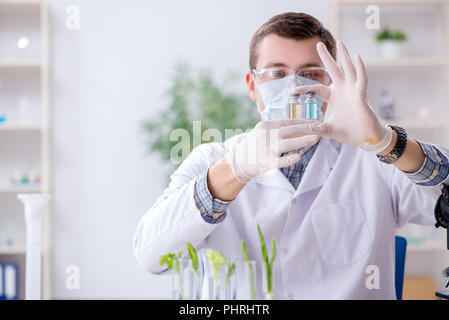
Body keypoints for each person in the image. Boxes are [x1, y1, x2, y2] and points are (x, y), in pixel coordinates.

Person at [133, 12, 449, 299]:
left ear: (330, 81)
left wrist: (384, 141)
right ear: (252, 86)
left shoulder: (371, 159)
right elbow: (152, 256)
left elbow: (442, 196)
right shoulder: (211, 159)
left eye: (311, 73)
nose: (294, 87)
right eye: (276, 74)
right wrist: (235, 170)